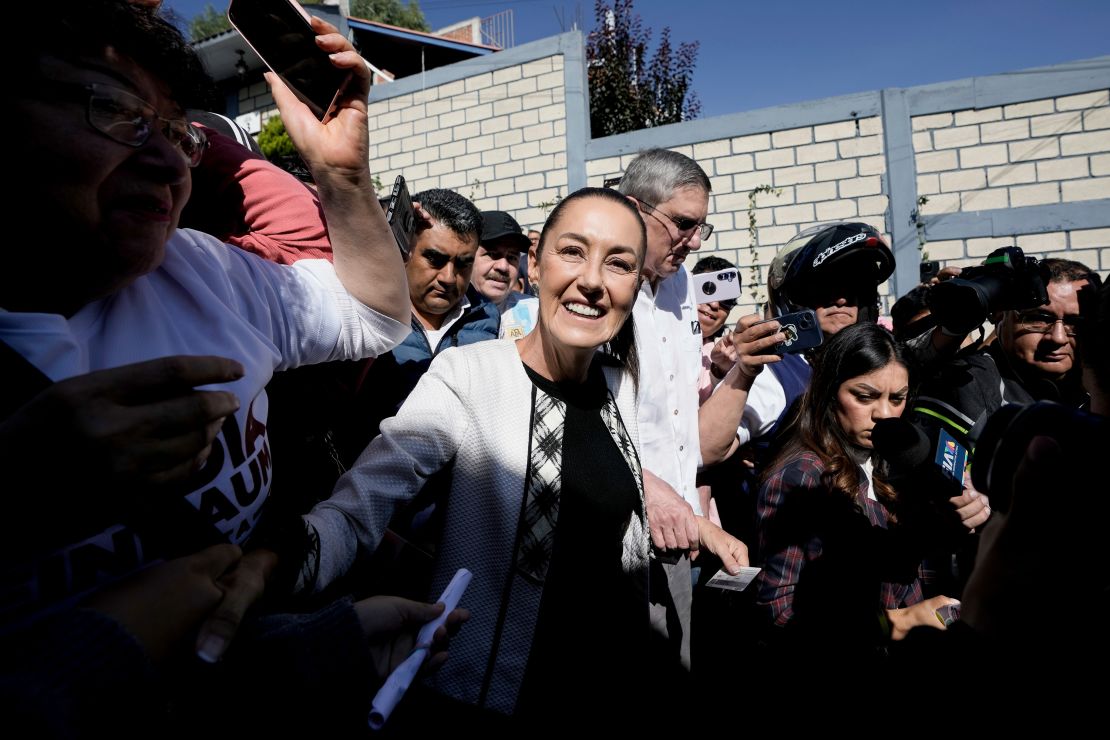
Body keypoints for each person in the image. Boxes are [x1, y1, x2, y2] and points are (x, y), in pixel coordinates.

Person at [296, 187, 746, 726]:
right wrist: (278, 564)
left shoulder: (619, 387)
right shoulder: (469, 375)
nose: (593, 281)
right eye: (573, 251)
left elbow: (610, 510)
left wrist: (697, 524)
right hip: (490, 701)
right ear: (534, 264)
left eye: (619, 263)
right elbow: (361, 505)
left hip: (606, 694)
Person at [754, 323, 977, 666]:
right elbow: (779, 614)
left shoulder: (900, 460)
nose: (883, 414)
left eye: (897, 399)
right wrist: (900, 622)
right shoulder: (802, 477)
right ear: (829, 393)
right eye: (864, 396)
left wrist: (966, 514)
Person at [615, 149, 748, 680]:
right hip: (616, 534)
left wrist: (743, 372)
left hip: (677, 536)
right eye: (684, 224)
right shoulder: (599, 292)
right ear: (633, 207)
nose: (693, 241)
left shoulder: (679, 287)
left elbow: (687, 433)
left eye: (701, 227)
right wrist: (651, 492)